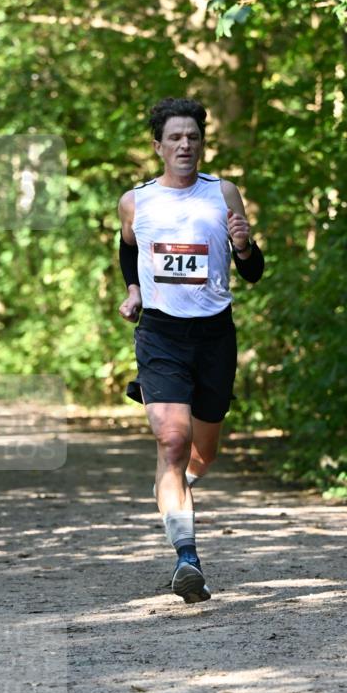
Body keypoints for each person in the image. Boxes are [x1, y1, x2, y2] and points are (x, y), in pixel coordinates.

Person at [118, 97, 264, 604]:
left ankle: (176, 488)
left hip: (214, 335)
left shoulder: (223, 194)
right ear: (158, 146)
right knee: (172, 443)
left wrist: (244, 246)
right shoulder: (135, 202)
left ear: (202, 143)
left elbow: (252, 271)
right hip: (160, 335)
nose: (185, 145)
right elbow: (129, 251)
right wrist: (135, 291)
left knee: (203, 451)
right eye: (175, 138)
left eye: (193, 137)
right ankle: (186, 556)